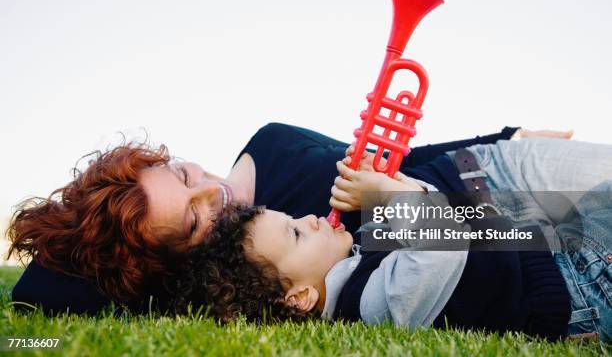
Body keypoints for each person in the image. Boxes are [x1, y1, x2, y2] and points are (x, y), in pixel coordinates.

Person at [7, 122, 566, 314]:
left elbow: (400, 160)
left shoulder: (271, 142)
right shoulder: (262, 261)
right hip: (505, 244)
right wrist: (89, 237)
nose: (213, 192)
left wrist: (505, 136)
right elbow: (38, 293)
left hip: (495, 186)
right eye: (194, 222)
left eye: (182, 175)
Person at [170, 137, 612, 341]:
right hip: (583, 287)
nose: (310, 217)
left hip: (556, 253)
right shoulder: (369, 308)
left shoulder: (356, 260)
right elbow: (441, 246)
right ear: (300, 297)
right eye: (296, 232)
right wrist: (386, 195)